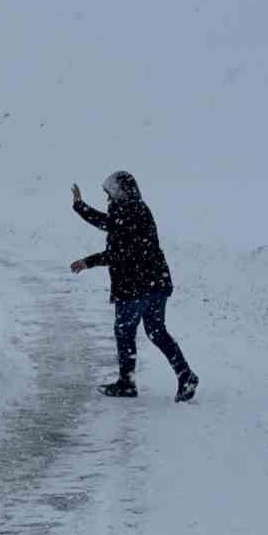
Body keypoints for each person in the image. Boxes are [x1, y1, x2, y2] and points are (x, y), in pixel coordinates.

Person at [69, 171, 199, 402]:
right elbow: (109, 225)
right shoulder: (138, 209)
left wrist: (87, 261)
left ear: (120, 192)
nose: (108, 199)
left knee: (125, 332)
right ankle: (184, 374)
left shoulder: (125, 212)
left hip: (135, 286)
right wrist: (81, 207)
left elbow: (117, 252)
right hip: (155, 283)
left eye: (110, 193)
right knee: (156, 331)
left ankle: (127, 383)